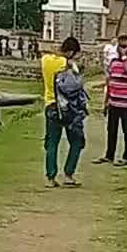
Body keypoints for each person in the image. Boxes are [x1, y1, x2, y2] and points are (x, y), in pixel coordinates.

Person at [41, 35, 79, 185]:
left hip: (51, 104)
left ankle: (51, 177)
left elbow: (48, 53)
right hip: (68, 107)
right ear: (71, 52)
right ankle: (69, 174)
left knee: (52, 143)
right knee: (76, 141)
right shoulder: (69, 65)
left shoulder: (45, 61)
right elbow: (77, 85)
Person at [99, 34, 127, 165]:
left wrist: (124, 58)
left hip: (126, 103)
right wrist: (106, 102)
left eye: (125, 45)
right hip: (113, 101)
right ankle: (109, 155)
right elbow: (109, 81)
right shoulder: (113, 62)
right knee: (111, 129)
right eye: (120, 45)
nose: (122, 48)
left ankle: (126, 157)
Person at [54, 45, 89, 185]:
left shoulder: (59, 70)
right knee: (77, 142)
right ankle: (69, 173)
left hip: (62, 109)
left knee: (56, 143)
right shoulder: (70, 72)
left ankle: (56, 174)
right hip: (72, 112)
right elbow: (71, 89)